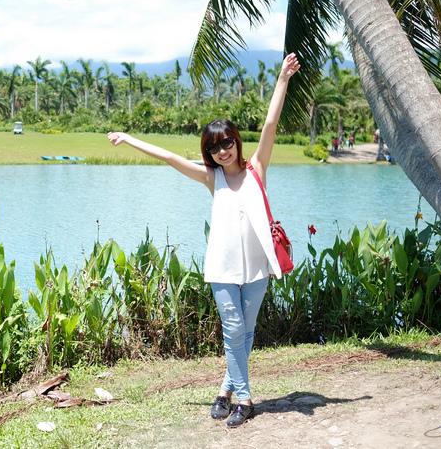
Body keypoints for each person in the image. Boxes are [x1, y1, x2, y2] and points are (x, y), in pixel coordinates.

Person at [107, 52, 300, 428]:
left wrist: (282, 80)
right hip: (222, 268)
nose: (221, 150)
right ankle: (244, 400)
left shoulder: (257, 169)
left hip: (258, 268)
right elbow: (167, 157)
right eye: (213, 147)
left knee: (245, 331)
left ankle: (225, 392)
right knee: (232, 329)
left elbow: (271, 124)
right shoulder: (212, 178)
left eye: (226, 142)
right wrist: (129, 138)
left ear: (236, 141)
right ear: (208, 153)